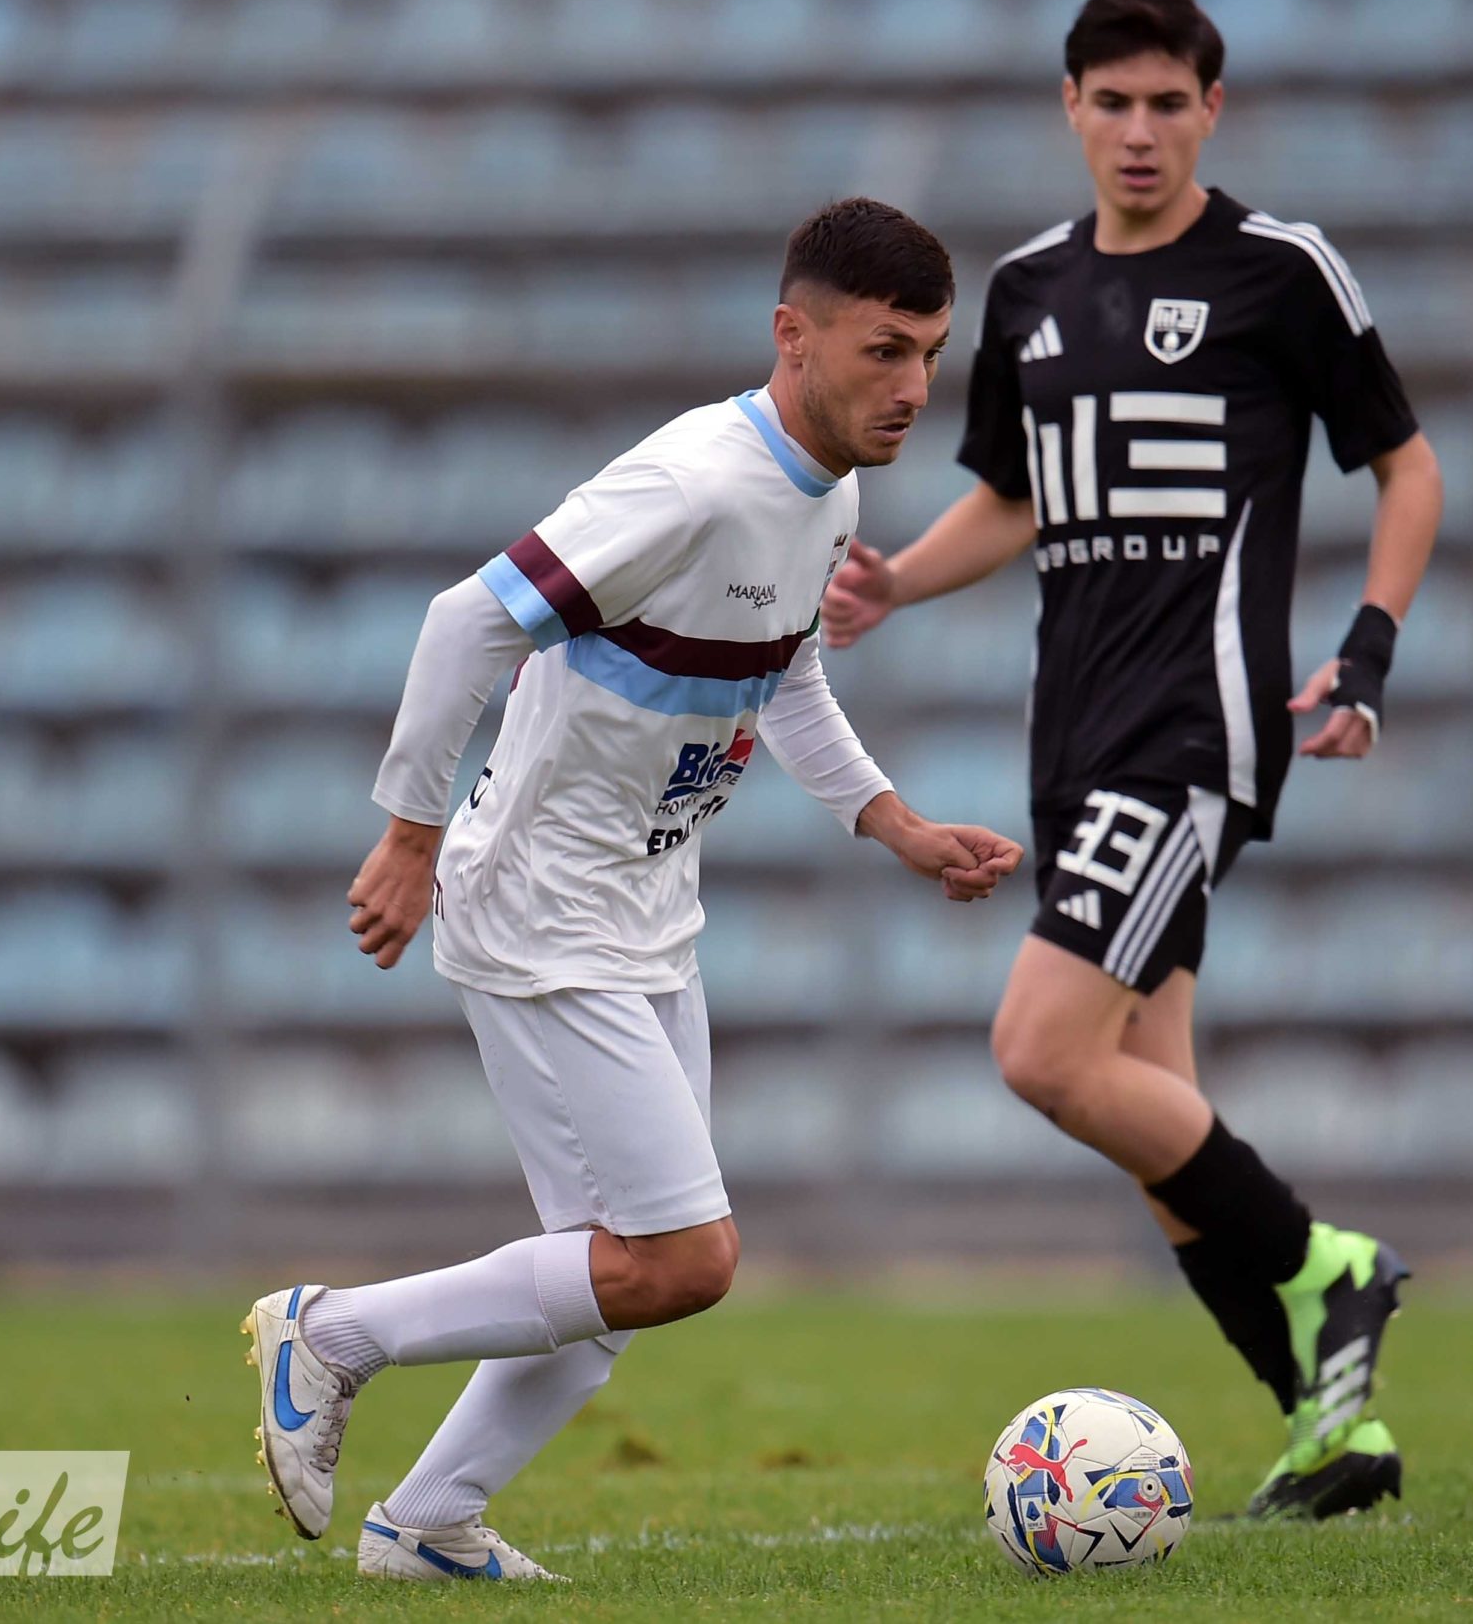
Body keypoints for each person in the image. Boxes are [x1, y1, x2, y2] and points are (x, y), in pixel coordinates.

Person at [243, 197, 1024, 1582]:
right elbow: (468, 621)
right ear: (793, 337)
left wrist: (893, 822)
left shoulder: (829, 488)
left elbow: (785, 671)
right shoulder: (692, 484)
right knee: (683, 1259)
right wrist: (407, 835)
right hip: (542, 906)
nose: (912, 386)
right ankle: (332, 1334)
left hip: (648, 912)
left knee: (616, 1275)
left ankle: (425, 1528)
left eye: (930, 354)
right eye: (884, 351)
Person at [822, 0, 1446, 1520]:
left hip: (1192, 732)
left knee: (1040, 1052)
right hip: (1074, 736)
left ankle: (1327, 1261)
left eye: (1170, 102)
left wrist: (1368, 645)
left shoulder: (1281, 272)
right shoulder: (1030, 290)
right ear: (1072, 109)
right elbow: (1015, 500)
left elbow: (1408, 465)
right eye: (1113, 103)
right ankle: (1332, 1433)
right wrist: (898, 583)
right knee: (1151, 1105)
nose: (1141, 131)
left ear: (1212, 110)